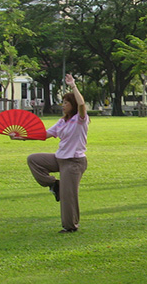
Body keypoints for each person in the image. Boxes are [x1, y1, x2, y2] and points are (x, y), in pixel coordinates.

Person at [12, 74, 89, 233]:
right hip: (59, 159)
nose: (63, 105)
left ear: (72, 105)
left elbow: (82, 104)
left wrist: (73, 85)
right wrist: (21, 137)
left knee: (68, 196)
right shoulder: (62, 121)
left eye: (66, 103)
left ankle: (70, 226)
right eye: (63, 103)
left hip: (74, 162)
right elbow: (43, 135)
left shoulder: (81, 119)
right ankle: (54, 184)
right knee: (34, 160)